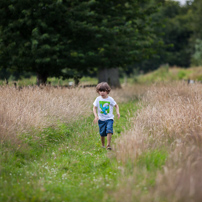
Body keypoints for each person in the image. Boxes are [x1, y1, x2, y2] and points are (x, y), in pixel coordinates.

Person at [93, 82, 120, 150]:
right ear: (98, 91)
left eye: (104, 91)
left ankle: (108, 145)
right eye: (100, 91)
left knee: (109, 130)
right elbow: (94, 107)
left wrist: (117, 112)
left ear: (107, 91)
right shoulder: (98, 99)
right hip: (101, 119)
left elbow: (116, 105)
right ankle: (103, 145)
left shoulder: (110, 99)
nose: (102, 92)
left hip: (109, 119)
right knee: (102, 133)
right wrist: (96, 116)